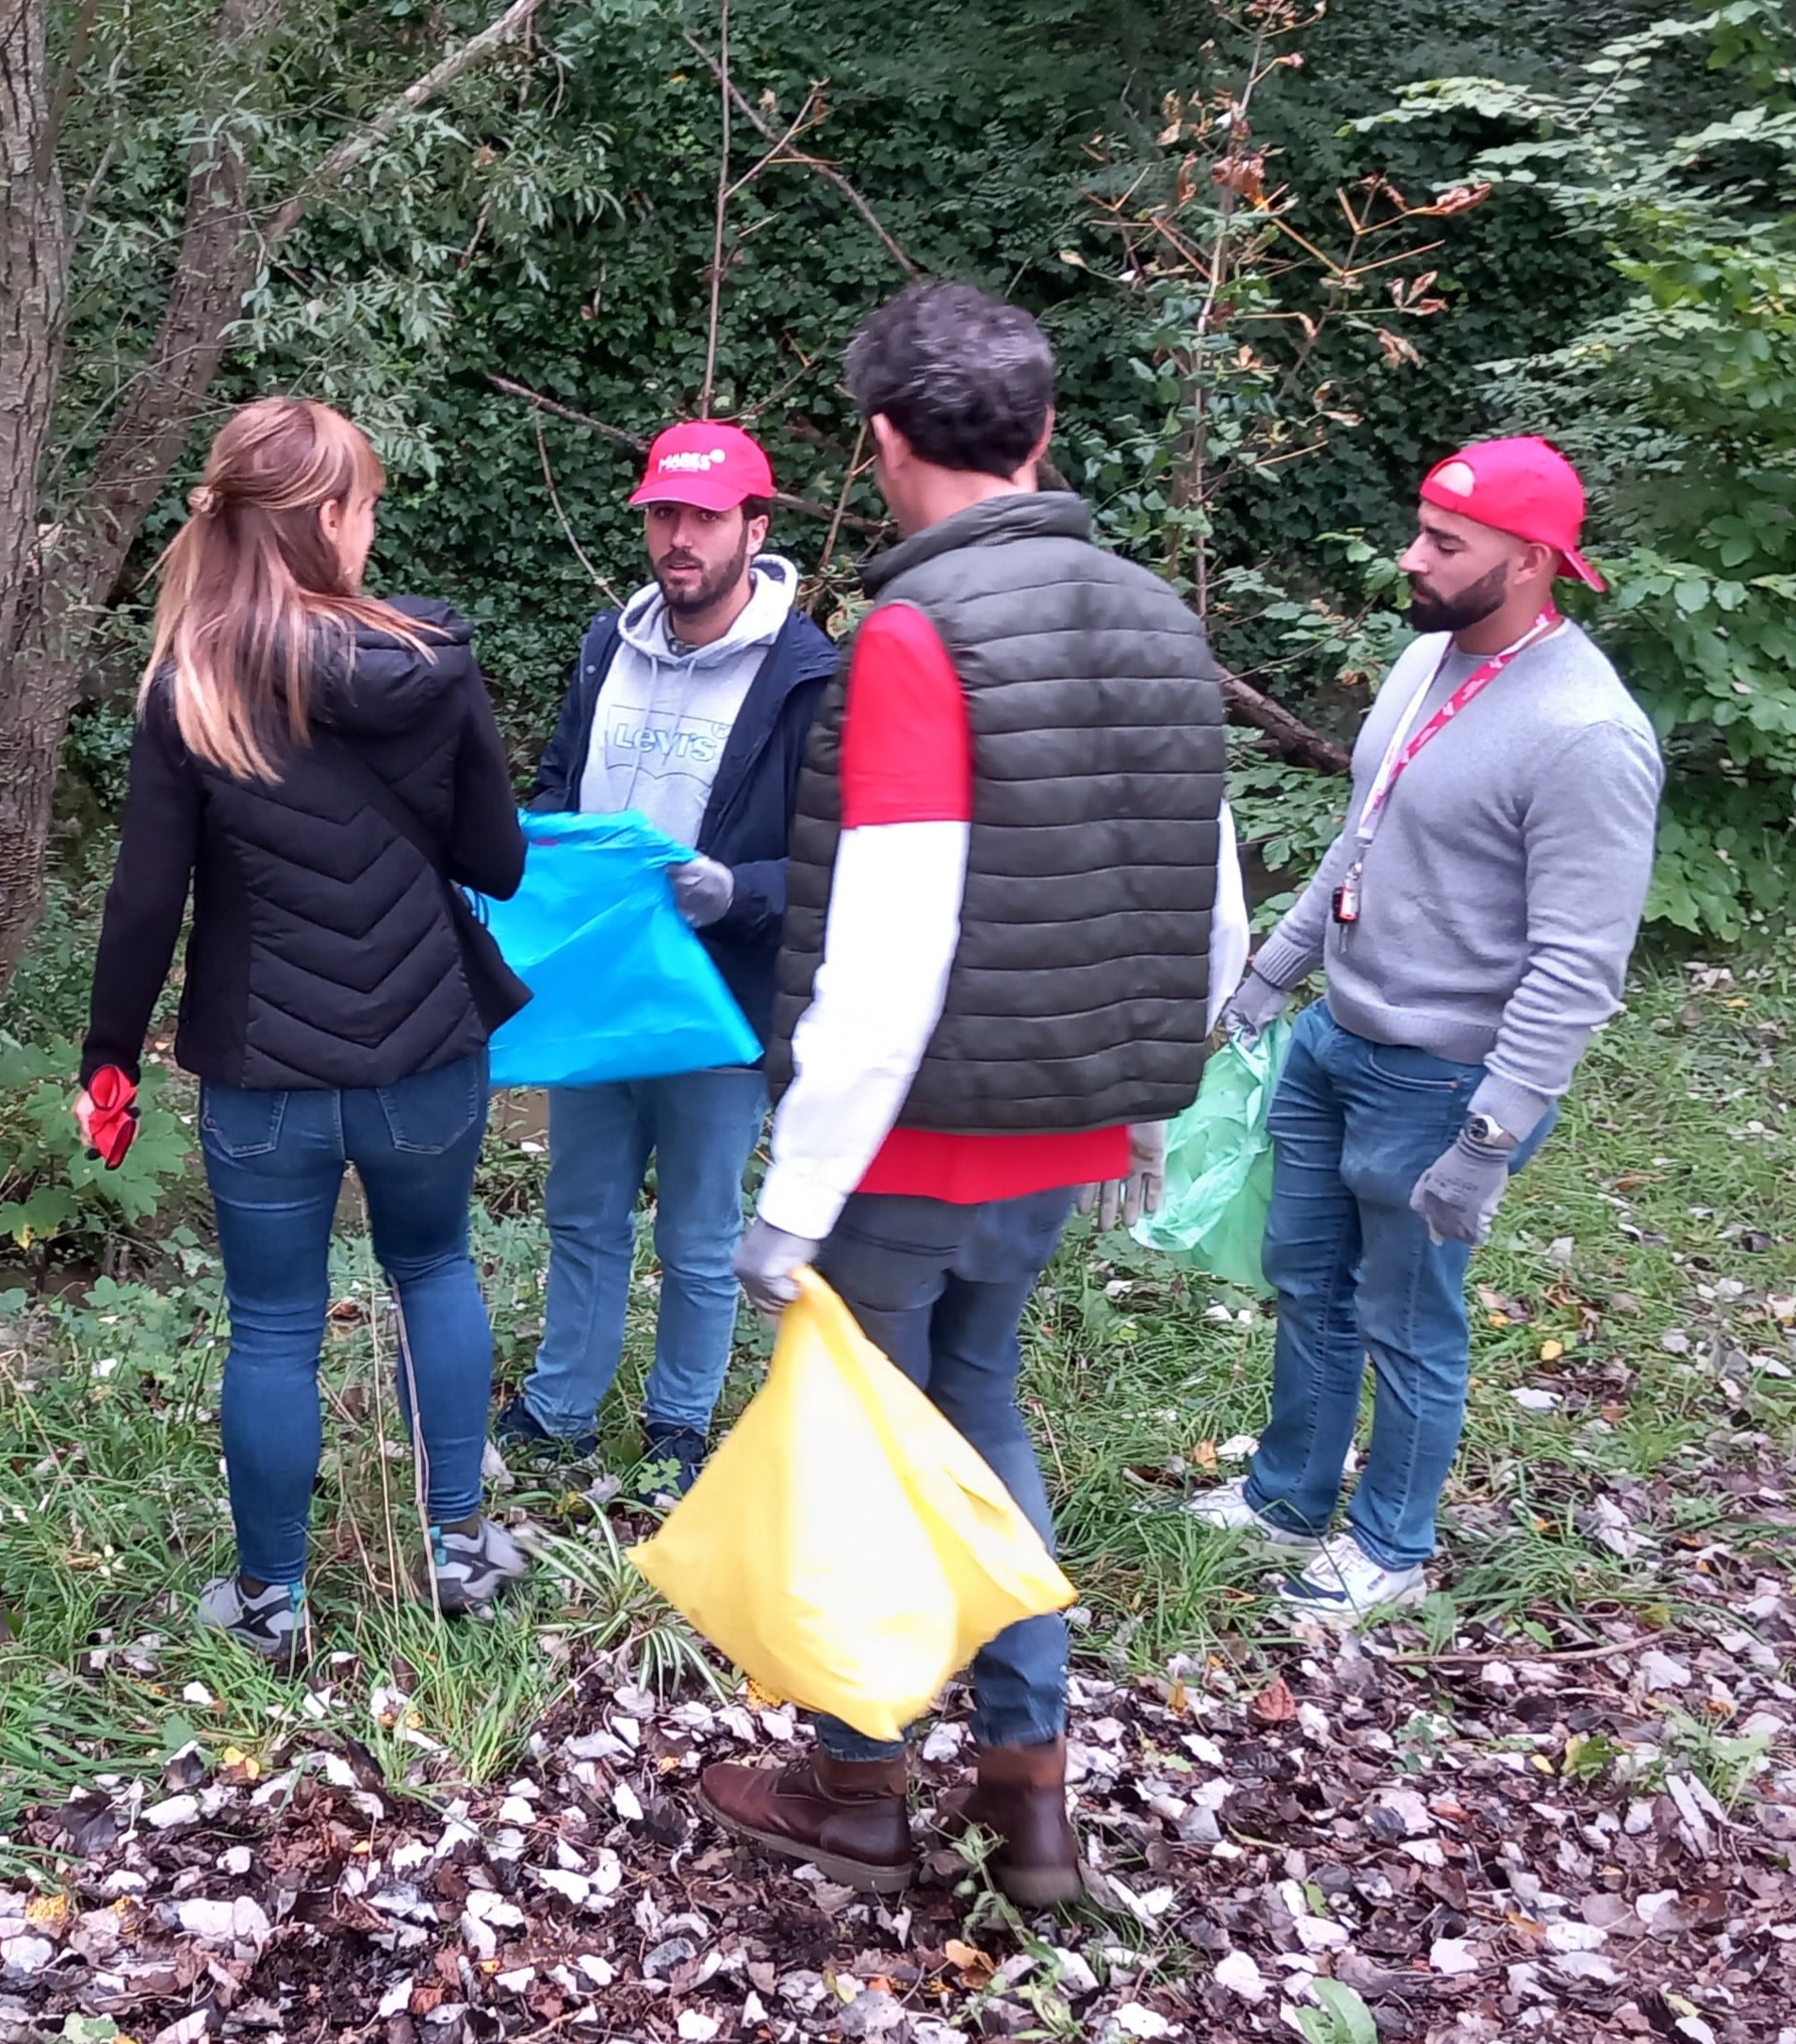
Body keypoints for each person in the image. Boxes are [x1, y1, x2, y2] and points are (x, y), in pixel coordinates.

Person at [694, 282, 1247, 1908]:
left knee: (866, 1452)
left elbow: (890, 946)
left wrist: (792, 1200)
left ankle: (857, 1788)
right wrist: (1141, 1098)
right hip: (1057, 1129)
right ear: (1043, 433)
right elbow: (1202, 897)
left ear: (877, 446)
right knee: (981, 1419)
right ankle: (1029, 1796)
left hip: (910, 1139)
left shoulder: (920, 639)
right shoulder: (1158, 616)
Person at [78, 396, 532, 1671]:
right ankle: (454, 1545)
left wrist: (105, 1058)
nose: (374, 527)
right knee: (434, 1269)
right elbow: (495, 855)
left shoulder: (190, 683)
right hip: (426, 1044)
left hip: (263, 1067)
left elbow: (145, 898)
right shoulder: (433, 663)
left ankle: (274, 1597)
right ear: (325, 518)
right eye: (367, 504)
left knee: (272, 1322)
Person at [1192, 437, 1661, 1627]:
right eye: (1421, 529)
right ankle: (1288, 1495)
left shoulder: (1587, 735)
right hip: (1335, 1042)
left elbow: (1577, 964)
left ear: (1532, 560)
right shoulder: (1422, 662)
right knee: (1308, 1281)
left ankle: (1390, 1543)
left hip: (1445, 1080)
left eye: (1446, 544)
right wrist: (1269, 979)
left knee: (1408, 1316)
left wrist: (1490, 1135)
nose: (1414, 557)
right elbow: (1361, 838)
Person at [503, 420, 840, 1488]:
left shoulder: (809, 677)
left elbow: (834, 864)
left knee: (700, 1234)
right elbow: (561, 786)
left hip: (716, 1004)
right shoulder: (608, 644)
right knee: (583, 1212)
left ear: (755, 524)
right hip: (598, 998)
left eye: (701, 517)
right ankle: (560, 1411)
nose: (677, 540)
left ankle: (678, 1429)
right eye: (662, 517)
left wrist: (737, 891)